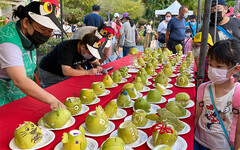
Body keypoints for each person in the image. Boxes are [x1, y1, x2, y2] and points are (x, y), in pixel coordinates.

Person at [0, 1, 67, 108]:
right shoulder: (7, 41)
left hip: (19, 97)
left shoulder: (28, 36)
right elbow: (20, 80)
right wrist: (52, 100)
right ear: (26, 22)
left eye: (51, 31)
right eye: (43, 30)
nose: (47, 35)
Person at [195, 38, 240, 150]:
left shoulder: (238, 94)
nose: (212, 69)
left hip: (222, 146)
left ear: (235, 69)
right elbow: (196, 117)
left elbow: (239, 132)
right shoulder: (203, 88)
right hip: (199, 141)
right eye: (210, 64)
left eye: (219, 66)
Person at [39, 33, 104, 88]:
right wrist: (87, 72)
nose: (92, 55)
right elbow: (67, 71)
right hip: (50, 72)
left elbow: (95, 61)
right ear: (83, 47)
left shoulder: (87, 50)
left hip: (66, 72)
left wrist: (97, 66)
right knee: (55, 94)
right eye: (91, 53)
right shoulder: (66, 47)